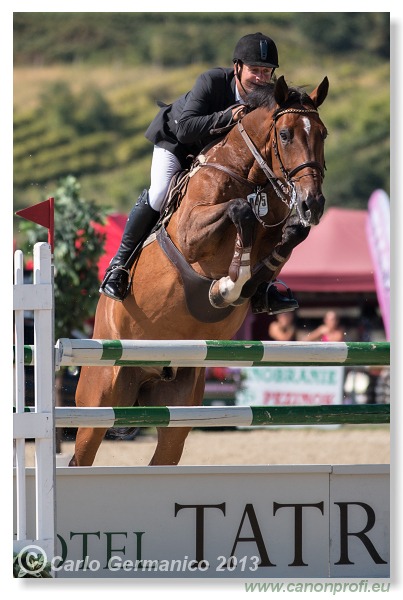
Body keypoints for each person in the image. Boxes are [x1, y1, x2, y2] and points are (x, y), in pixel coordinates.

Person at [99, 32, 298, 315]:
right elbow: (185, 128)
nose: (261, 78)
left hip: (221, 162)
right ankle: (118, 266)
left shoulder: (268, 99)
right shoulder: (212, 82)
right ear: (238, 67)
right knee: (159, 194)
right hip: (179, 145)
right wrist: (229, 116)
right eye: (255, 70)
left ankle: (262, 286)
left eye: (267, 72)